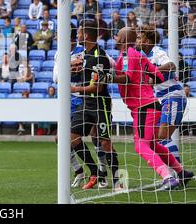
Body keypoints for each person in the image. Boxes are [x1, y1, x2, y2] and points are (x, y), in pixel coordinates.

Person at [96, 27, 193, 191]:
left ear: (124, 39)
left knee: (140, 146)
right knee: (154, 144)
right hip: (150, 104)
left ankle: (168, 177)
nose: (115, 37)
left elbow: (127, 78)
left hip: (144, 106)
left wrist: (108, 77)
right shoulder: (138, 56)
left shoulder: (128, 54)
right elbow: (159, 76)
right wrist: (144, 79)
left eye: (118, 35)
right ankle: (181, 172)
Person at [69, 20, 120, 190]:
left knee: (104, 142)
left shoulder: (100, 57)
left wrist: (74, 88)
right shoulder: (85, 54)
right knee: (72, 137)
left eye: (79, 33)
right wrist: (72, 66)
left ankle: (117, 179)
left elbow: (98, 87)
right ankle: (94, 173)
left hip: (100, 104)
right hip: (86, 102)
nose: (77, 35)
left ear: (86, 35)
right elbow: (79, 67)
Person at [136, 25, 188, 163]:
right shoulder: (145, 57)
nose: (137, 41)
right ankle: (176, 172)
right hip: (163, 99)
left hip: (173, 97)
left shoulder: (157, 52)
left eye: (139, 38)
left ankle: (178, 174)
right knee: (158, 139)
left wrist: (153, 71)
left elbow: (172, 66)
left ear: (147, 41)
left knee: (162, 138)